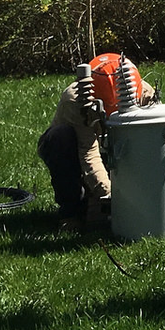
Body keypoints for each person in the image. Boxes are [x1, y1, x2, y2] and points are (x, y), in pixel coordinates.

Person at [36, 53, 144, 225]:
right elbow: (88, 153)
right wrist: (109, 195)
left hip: (116, 151)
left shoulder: (140, 89)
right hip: (77, 150)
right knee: (60, 137)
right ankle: (70, 212)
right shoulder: (75, 101)